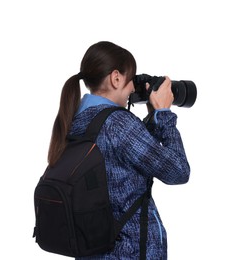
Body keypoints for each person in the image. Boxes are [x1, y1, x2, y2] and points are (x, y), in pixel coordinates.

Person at [48, 41, 190, 260]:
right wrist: (164, 114)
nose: (133, 88)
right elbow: (178, 171)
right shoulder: (118, 124)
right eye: (130, 79)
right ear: (116, 78)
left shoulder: (76, 119)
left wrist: (152, 118)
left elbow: (134, 157)